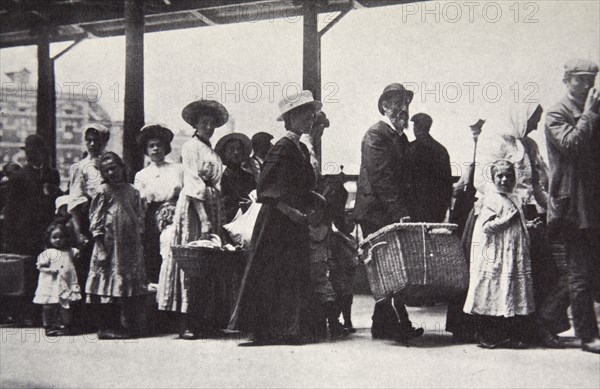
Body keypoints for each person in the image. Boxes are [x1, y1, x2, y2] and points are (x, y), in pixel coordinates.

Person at [238, 90, 322, 346]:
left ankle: (289, 328)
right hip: (276, 222)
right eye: (306, 113)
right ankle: (266, 330)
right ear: (292, 117)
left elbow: (301, 185)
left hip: (294, 222)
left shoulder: (300, 148)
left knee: (292, 273)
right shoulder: (282, 147)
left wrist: (312, 201)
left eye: (312, 113)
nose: (311, 117)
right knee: (272, 272)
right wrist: (290, 211)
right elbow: (265, 188)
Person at [354, 83, 424, 342]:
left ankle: (385, 323)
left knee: (390, 266)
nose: (402, 108)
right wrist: (400, 212)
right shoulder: (376, 135)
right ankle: (395, 323)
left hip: (386, 210)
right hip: (376, 212)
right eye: (396, 102)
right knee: (386, 266)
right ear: (384, 106)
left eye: (405, 102)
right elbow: (382, 177)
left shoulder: (398, 137)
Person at [545, 58, 600, 354]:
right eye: (580, 79)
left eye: (591, 78)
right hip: (572, 207)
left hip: (593, 203)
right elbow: (571, 146)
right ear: (566, 80)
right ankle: (587, 336)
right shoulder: (557, 112)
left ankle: (549, 317)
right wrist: (590, 115)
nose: (588, 84)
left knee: (589, 270)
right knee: (579, 271)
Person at [167, 99, 228, 339]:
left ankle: (206, 319)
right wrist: (203, 218)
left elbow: (216, 182)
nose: (209, 127)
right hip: (195, 208)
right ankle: (188, 322)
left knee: (209, 261)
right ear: (196, 124)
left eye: (212, 123)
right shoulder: (190, 147)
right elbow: (193, 182)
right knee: (193, 259)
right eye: (204, 122)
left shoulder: (211, 151)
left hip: (212, 204)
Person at [463, 159, 535, 349]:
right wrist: (506, 220)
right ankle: (486, 334)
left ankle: (504, 333)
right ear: (493, 178)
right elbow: (486, 227)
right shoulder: (491, 199)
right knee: (493, 288)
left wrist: (528, 225)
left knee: (508, 289)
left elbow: (519, 222)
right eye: (500, 176)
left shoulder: (515, 197)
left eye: (508, 176)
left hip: (512, 252)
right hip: (496, 252)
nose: (504, 180)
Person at [86, 152, 148, 339]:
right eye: (107, 170)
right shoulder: (102, 191)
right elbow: (95, 220)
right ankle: (106, 326)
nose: (112, 172)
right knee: (107, 284)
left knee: (125, 284)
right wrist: (101, 247)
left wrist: (138, 238)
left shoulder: (132, 190)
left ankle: (125, 324)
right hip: (109, 245)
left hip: (129, 245)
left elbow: (138, 215)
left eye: (114, 167)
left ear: (122, 167)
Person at [2, 134, 61, 326]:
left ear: (44, 152)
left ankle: (39, 313)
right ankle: (24, 314)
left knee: (44, 271)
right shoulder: (18, 176)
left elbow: (55, 199)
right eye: (29, 151)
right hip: (24, 233)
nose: (32, 155)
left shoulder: (52, 174)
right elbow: (11, 209)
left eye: (37, 151)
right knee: (25, 273)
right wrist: (9, 237)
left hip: (46, 231)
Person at [134, 124, 184, 284]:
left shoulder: (178, 169)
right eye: (151, 146)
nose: (155, 149)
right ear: (146, 150)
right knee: (154, 254)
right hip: (152, 217)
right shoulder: (142, 175)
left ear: (165, 147)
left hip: (176, 213)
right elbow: (139, 203)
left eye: (159, 145)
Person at [33, 222, 81, 336]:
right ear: (49, 238)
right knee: (48, 305)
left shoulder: (70, 251)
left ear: (66, 238)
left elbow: (77, 255)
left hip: (65, 283)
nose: (58, 240)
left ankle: (66, 325)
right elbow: (40, 267)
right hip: (51, 283)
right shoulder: (48, 253)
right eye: (54, 237)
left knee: (65, 304)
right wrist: (50, 270)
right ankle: (48, 326)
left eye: (61, 237)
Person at [407, 113, 453, 222]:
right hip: (435, 209)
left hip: (414, 209)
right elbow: (447, 184)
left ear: (417, 128)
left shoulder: (410, 149)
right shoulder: (441, 150)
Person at [215, 133, 256, 223]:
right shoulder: (220, 177)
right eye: (232, 149)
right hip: (228, 221)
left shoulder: (249, 177)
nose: (236, 152)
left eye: (239, 149)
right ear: (224, 153)